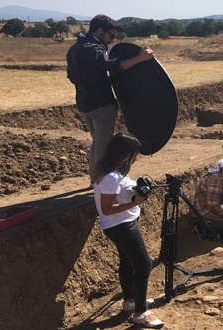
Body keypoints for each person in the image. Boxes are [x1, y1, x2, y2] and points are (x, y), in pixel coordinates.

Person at [67, 14, 155, 181]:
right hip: (101, 104)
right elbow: (113, 66)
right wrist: (140, 58)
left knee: (97, 142)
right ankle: (100, 182)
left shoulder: (74, 48)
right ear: (100, 30)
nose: (113, 40)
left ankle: (94, 179)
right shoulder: (92, 48)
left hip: (84, 103)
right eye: (111, 36)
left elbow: (72, 77)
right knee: (104, 145)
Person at [92, 132, 164, 328]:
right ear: (124, 154)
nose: (136, 157)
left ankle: (130, 301)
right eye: (134, 153)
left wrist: (136, 190)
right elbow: (107, 208)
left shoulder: (111, 171)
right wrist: (136, 201)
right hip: (120, 225)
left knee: (128, 263)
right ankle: (141, 312)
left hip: (120, 224)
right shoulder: (111, 177)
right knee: (143, 265)